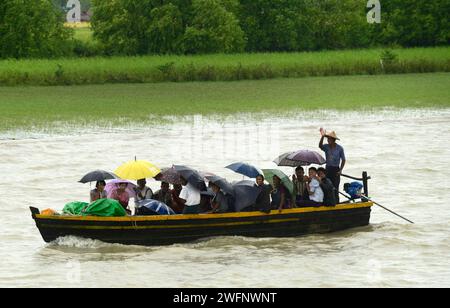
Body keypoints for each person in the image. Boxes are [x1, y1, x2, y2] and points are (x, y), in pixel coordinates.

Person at [319, 128, 346, 202]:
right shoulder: (326, 147)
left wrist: (340, 170)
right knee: (327, 186)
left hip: (336, 169)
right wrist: (322, 136)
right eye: (327, 139)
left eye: (329, 139)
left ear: (333, 140)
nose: (328, 140)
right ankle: (328, 201)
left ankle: (336, 202)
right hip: (328, 169)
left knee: (335, 187)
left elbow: (343, 159)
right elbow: (320, 146)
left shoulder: (339, 148)